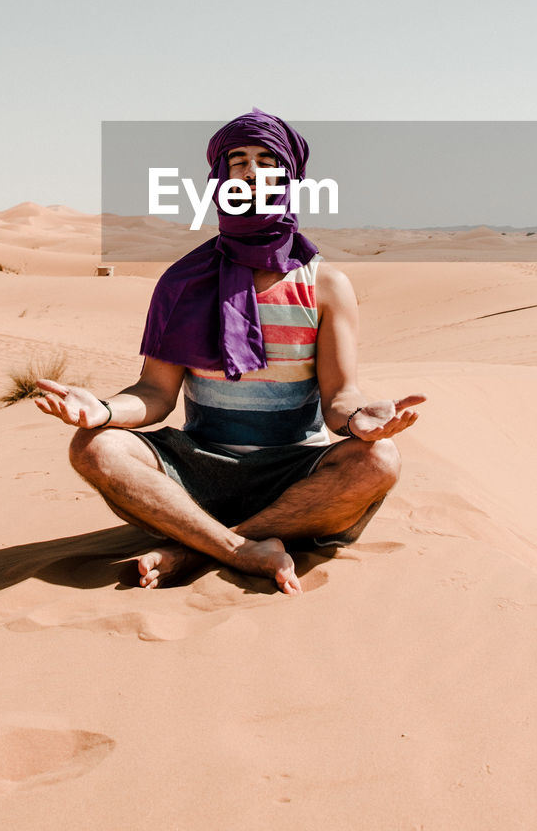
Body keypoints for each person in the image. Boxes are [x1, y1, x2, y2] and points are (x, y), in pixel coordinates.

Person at [34, 107, 425, 595]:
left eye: (266, 158)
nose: (250, 170)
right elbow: (155, 392)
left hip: (293, 474)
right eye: (237, 159)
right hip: (198, 466)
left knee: (380, 460)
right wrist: (105, 410)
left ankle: (201, 547)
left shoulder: (325, 285)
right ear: (221, 177)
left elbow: (339, 398)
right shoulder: (185, 280)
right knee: (93, 446)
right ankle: (239, 547)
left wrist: (359, 422)